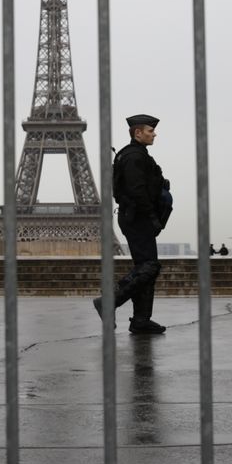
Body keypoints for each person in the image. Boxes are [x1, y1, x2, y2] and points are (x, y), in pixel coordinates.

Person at [92, 113, 171, 334]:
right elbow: (137, 191)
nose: (154, 134)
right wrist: (152, 217)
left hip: (134, 215)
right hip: (138, 217)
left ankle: (141, 320)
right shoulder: (135, 157)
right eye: (150, 131)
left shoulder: (132, 155)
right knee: (149, 266)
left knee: (145, 266)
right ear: (138, 133)